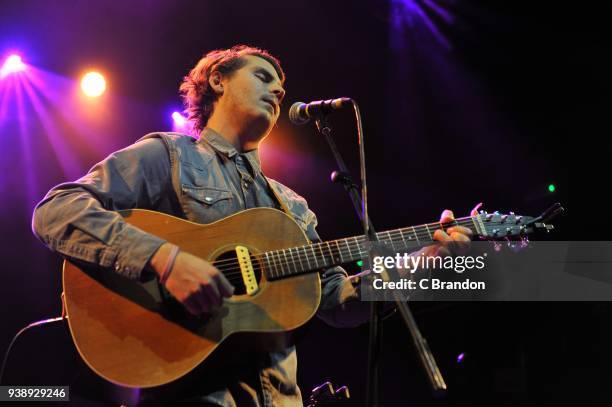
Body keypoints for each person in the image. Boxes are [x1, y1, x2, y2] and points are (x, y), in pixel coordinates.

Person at [32, 45, 473, 406]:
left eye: (281, 88)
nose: (279, 90)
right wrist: (165, 259)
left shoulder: (293, 206)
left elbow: (339, 301)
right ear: (217, 79)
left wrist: (421, 264)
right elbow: (57, 210)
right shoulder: (168, 155)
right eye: (263, 76)